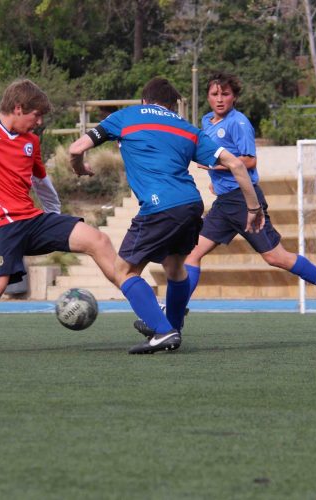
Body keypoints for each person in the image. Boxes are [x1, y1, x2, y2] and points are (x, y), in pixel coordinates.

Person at [0, 78, 118, 355]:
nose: (38, 122)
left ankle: (144, 304)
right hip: (0, 226)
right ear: (17, 108)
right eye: (36, 115)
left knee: (97, 239)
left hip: (33, 220)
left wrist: (55, 223)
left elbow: (43, 184)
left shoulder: (31, 142)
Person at [69, 77, 265, 354]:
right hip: (191, 204)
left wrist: (78, 167)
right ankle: (172, 328)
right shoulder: (188, 129)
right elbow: (236, 164)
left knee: (123, 271)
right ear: (174, 106)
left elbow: (76, 148)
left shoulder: (126, 116)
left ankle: (162, 331)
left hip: (160, 207)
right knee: (175, 268)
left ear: (144, 101)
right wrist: (254, 208)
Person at [184, 72, 316, 316]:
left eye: (226, 94)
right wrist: (216, 182)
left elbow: (249, 161)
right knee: (192, 253)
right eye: (214, 94)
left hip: (244, 200)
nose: (220, 99)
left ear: (235, 97)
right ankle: (175, 310)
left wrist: (215, 168)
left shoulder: (238, 122)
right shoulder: (207, 121)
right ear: (207, 96)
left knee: (275, 257)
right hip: (224, 203)